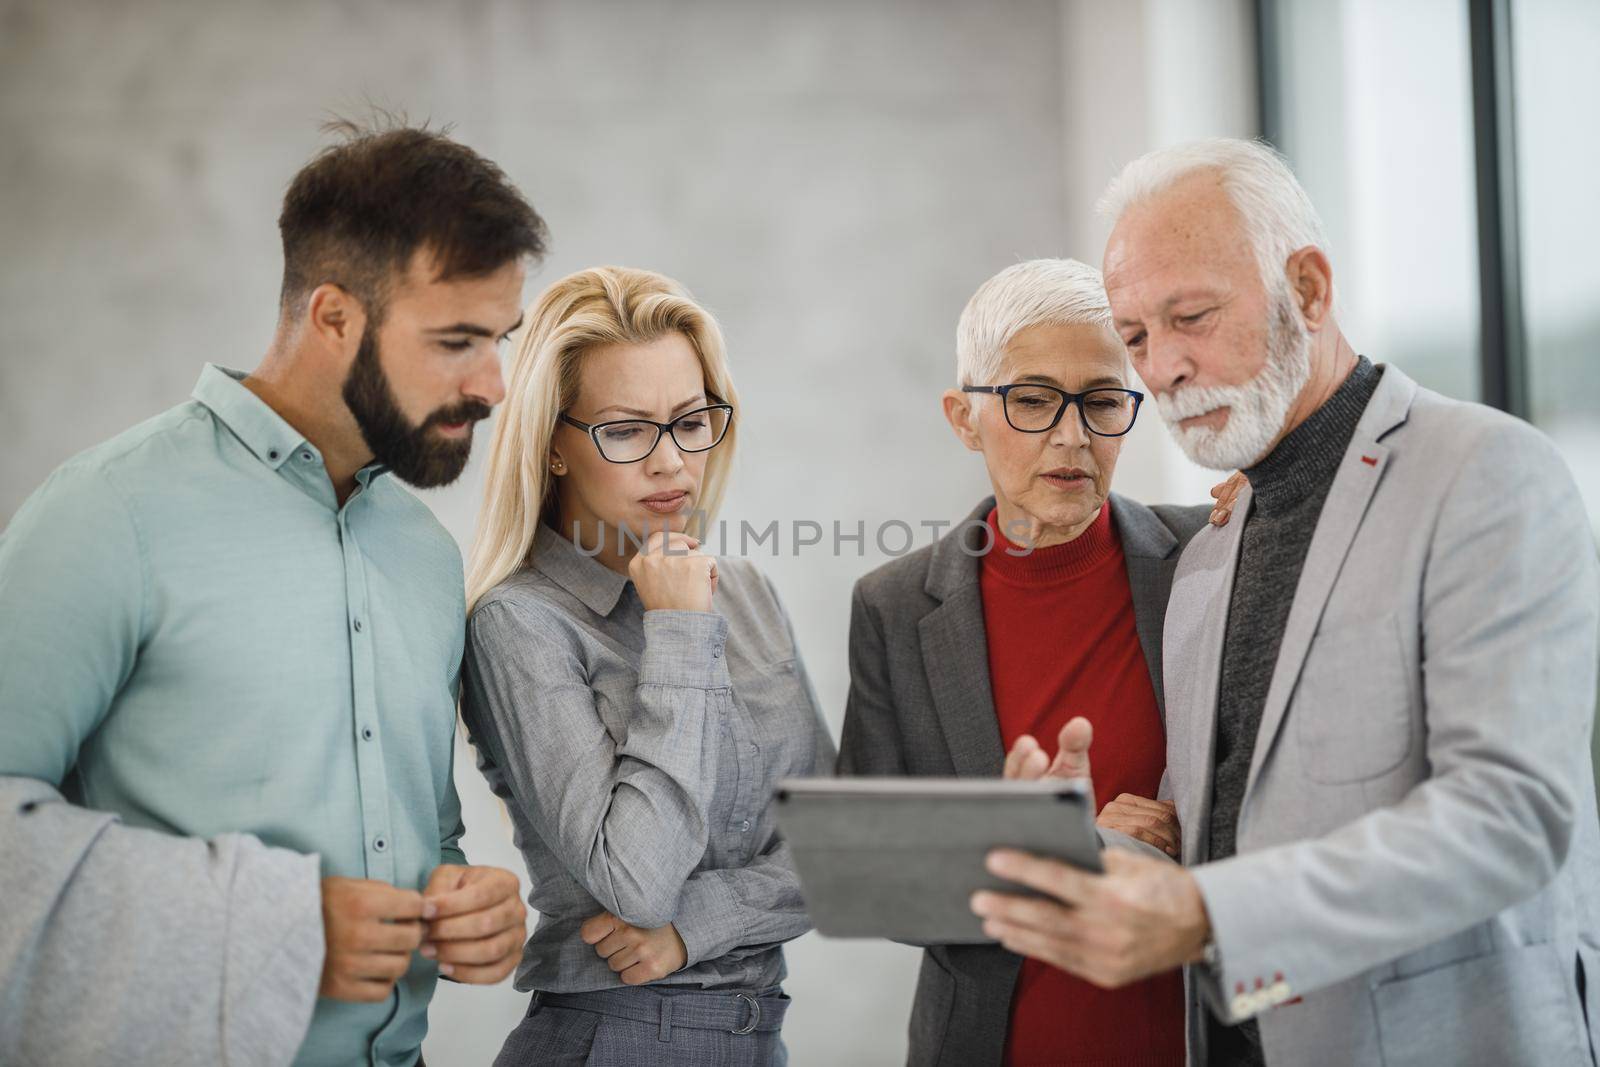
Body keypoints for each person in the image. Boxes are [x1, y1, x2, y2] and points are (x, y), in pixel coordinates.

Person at [970, 139, 1600, 1067]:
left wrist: (1204, 910)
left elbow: (1509, 817)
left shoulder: (1487, 473)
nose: (1166, 367)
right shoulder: (1209, 554)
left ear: (1308, 289)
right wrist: (1078, 853)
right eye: (1137, 337)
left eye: (1192, 316)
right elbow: (1209, 845)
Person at [0, 122, 547, 1067]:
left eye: (502, 338)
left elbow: (420, 829)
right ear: (333, 317)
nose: (496, 385)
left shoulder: (421, 552)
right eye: (457, 340)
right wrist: (270, 932)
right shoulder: (109, 512)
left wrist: (467, 898)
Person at [838, 258, 1240, 1066]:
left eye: (1099, 401)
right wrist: (1053, 846)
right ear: (963, 417)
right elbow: (865, 869)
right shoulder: (894, 603)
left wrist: (1281, 509)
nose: (1070, 435)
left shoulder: (1211, 555)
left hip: (1195, 1036)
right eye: (1030, 401)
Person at [460, 265, 834, 1066]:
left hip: (761, 1039)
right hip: (615, 1039)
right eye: (627, 430)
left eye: (692, 420)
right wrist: (676, 629)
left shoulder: (749, 594)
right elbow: (635, 880)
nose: (673, 463)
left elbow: (835, 845)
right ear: (553, 445)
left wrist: (697, 927)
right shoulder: (517, 623)